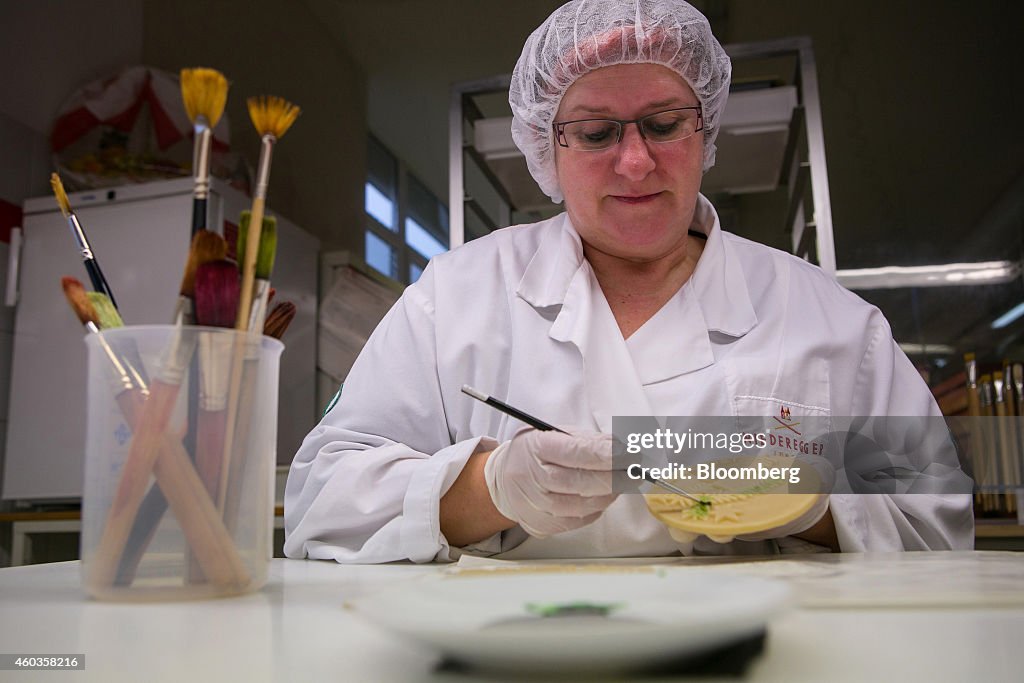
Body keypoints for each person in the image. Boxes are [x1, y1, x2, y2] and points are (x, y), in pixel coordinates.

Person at [284, 0, 973, 563]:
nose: (636, 162)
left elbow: (939, 519)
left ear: (705, 132)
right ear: (546, 149)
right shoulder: (456, 296)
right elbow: (321, 499)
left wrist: (807, 500)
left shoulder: (831, 318)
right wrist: (485, 485)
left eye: (665, 124)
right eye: (594, 132)